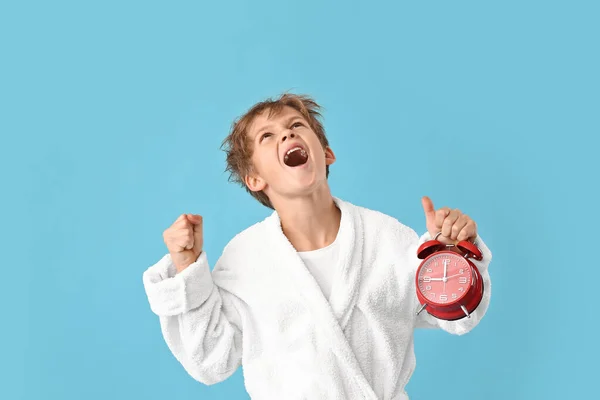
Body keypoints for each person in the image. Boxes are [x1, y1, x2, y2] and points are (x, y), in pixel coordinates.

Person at [142, 93, 493, 400]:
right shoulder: (245, 259)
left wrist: (452, 255)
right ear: (254, 179)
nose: (287, 133)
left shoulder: (386, 237)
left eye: (296, 125)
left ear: (326, 153)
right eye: (268, 136)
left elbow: (459, 318)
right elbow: (209, 361)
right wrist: (187, 267)